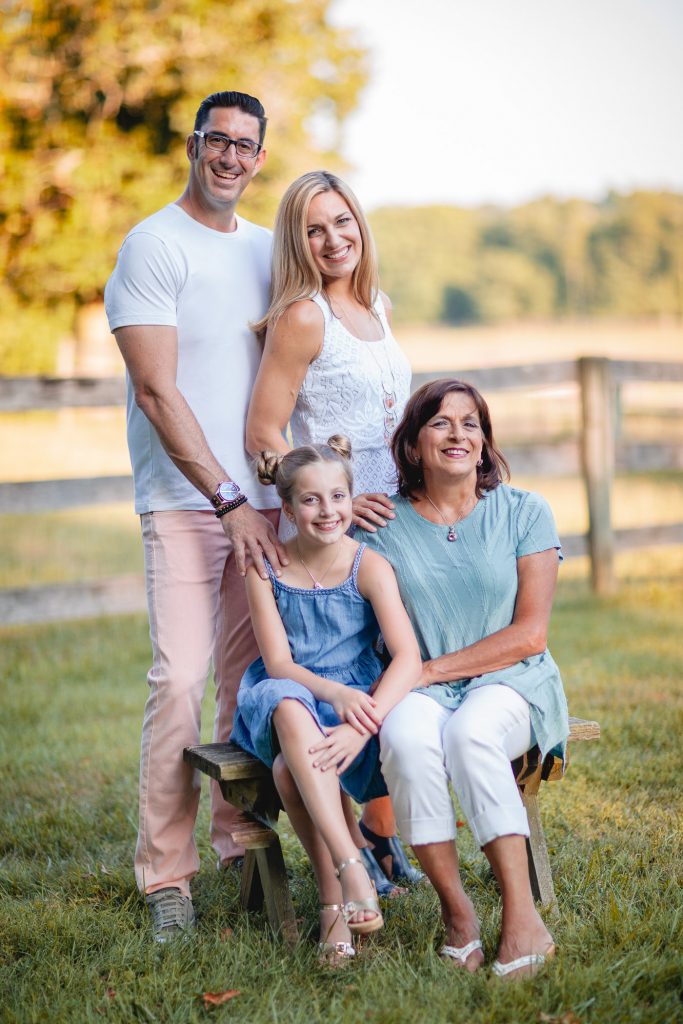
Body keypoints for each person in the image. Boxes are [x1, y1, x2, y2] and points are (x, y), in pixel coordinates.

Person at [104, 90, 288, 943]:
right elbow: (155, 389)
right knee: (179, 679)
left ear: (258, 157)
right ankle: (164, 879)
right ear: (193, 144)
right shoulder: (151, 245)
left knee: (247, 684)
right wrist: (226, 499)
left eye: (246, 147)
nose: (231, 158)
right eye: (218, 141)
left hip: (268, 504)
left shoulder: (267, 251)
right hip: (188, 501)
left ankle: (237, 843)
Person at [245, 169, 422, 892]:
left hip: (397, 523)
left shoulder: (376, 304)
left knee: (391, 666)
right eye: (314, 228)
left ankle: (382, 837)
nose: (333, 239)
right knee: (346, 670)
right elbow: (263, 431)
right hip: (340, 530)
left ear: (359, 223)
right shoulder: (303, 315)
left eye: (342, 221)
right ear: (298, 241)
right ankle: (353, 850)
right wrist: (331, 502)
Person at [364, 378, 570, 978]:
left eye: (471, 424)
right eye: (441, 423)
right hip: (422, 688)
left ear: (484, 444)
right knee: (404, 738)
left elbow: (531, 634)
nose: (458, 434)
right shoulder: (382, 524)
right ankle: (458, 914)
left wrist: (428, 670)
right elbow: (310, 555)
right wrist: (339, 510)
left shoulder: (524, 511)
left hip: (513, 680)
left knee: (470, 734)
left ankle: (522, 914)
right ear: (411, 446)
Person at [230, 437, 421, 963]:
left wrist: (360, 714)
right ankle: (351, 861)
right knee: (289, 703)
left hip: (354, 709)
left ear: (350, 498)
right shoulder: (265, 567)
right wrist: (333, 691)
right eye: (310, 500)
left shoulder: (369, 565)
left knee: (290, 774)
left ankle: (333, 906)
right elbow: (279, 666)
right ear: (286, 508)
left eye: (338, 496)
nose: (328, 510)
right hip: (293, 695)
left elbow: (406, 657)